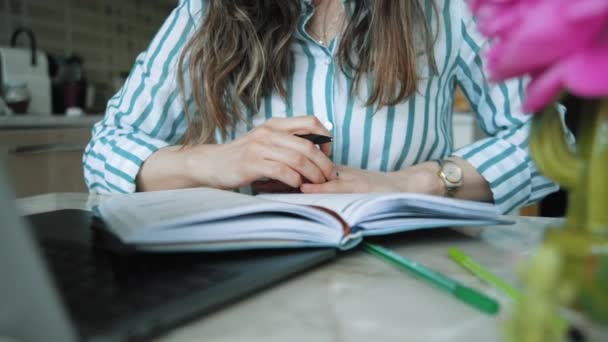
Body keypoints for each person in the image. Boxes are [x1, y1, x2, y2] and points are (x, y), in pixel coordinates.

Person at [83, 0, 558, 214]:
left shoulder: (450, 7)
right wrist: (216, 161)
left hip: (417, 271)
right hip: (249, 276)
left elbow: (554, 141)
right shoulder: (205, 10)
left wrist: (413, 183)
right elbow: (106, 148)